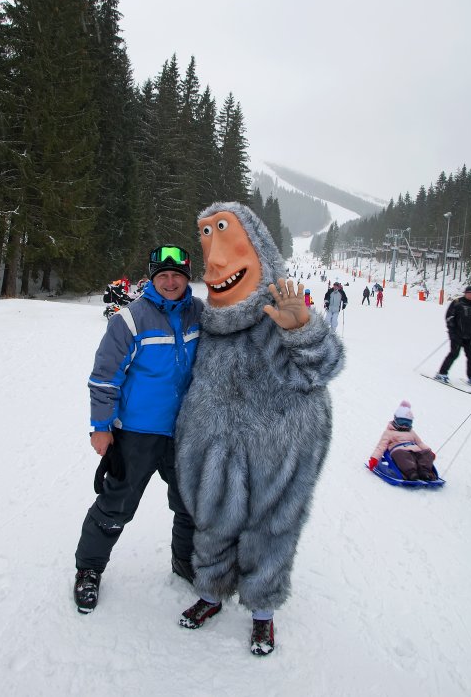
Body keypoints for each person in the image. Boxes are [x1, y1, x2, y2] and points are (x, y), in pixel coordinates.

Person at [175, 202, 344, 656]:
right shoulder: (207, 321)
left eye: (224, 235)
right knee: (212, 525)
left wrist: (302, 329)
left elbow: (321, 368)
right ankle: (210, 595)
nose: (214, 261)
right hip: (217, 450)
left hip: (278, 452)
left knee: (271, 533)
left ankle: (262, 614)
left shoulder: (275, 310)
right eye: (206, 238)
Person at [73, 246, 203, 614]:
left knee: (190, 504)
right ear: (152, 278)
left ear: (186, 276)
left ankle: (185, 562)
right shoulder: (129, 320)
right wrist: (101, 427)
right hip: (137, 433)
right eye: (163, 275)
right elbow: (103, 379)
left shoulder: (199, 314)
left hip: (184, 432)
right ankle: (89, 569)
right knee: (116, 505)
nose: (170, 281)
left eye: (177, 275)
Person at [368, 400, 437, 481]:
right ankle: (411, 472)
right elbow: (381, 447)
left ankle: (425, 472)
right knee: (401, 455)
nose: (405, 426)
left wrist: (428, 451)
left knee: (426, 454)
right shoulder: (389, 433)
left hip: (416, 451)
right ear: (395, 419)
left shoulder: (412, 432)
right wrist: (374, 458)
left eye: (408, 423)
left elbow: (420, 443)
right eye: (402, 422)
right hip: (400, 451)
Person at [435, 285, 471, 386]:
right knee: (454, 354)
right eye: (468, 293)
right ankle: (442, 373)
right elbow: (449, 316)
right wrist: (452, 330)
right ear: (465, 293)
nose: (470, 295)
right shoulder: (458, 303)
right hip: (457, 335)